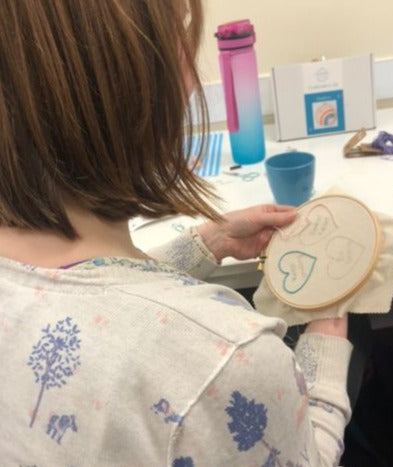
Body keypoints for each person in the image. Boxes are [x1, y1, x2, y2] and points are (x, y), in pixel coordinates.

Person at [0, 1, 352, 465]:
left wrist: (205, 244)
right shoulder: (226, 360)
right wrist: (325, 343)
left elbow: (84, 304)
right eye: (178, 37)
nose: (190, 77)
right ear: (131, 81)